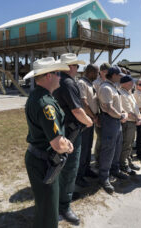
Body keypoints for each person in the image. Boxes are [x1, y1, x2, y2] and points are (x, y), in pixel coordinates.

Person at [23, 57, 73, 228]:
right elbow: (58, 145)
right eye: (58, 73)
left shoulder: (39, 96)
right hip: (44, 161)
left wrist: (63, 140)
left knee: (45, 205)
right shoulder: (46, 104)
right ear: (48, 76)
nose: (61, 77)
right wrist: (67, 145)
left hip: (42, 159)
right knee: (48, 212)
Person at [53, 53, 93, 225]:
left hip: (61, 130)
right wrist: (89, 121)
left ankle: (62, 197)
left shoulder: (57, 80)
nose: (78, 69)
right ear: (71, 66)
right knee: (69, 169)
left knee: (62, 168)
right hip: (71, 132)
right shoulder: (68, 82)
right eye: (76, 65)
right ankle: (64, 205)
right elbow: (77, 111)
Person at [98, 67, 128, 193]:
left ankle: (114, 170)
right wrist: (121, 115)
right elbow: (109, 108)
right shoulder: (106, 88)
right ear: (113, 75)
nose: (121, 77)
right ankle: (104, 176)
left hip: (115, 121)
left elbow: (116, 106)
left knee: (117, 147)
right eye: (119, 75)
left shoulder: (113, 87)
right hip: (109, 121)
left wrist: (123, 113)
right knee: (108, 149)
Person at [76, 64, 100, 187]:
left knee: (88, 146)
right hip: (86, 119)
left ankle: (86, 169)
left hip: (91, 118)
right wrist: (93, 116)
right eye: (96, 72)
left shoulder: (90, 83)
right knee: (83, 147)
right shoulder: (82, 83)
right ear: (90, 72)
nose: (98, 75)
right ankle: (78, 175)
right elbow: (83, 103)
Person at [119, 75, 141, 175]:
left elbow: (136, 108)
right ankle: (123, 164)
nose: (133, 84)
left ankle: (128, 162)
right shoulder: (122, 94)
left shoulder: (129, 93)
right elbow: (128, 112)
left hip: (133, 122)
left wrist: (140, 117)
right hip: (128, 123)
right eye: (131, 82)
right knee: (126, 144)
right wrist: (137, 118)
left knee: (130, 144)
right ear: (125, 83)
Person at [92, 62, 110, 167]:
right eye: (108, 71)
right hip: (99, 113)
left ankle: (104, 159)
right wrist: (97, 116)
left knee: (107, 139)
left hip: (108, 114)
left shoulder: (108, 82)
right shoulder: (96, 83)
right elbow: (95, 101)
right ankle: (98, 160)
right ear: (102, 72)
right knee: (100, 138)